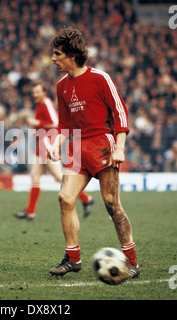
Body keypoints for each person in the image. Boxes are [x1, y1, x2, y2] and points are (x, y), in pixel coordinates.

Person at [48, 27, 140, 279]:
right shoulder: (61, 86)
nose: (53, 59)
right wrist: (56, 144)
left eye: (57, 54)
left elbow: (120, 112)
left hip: (102, 144)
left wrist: (120, 146)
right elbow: (65, 124)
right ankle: (73, 258)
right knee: (65, 198)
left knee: (112, 204)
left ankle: (132, 263)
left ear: (72, 55)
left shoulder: (101, 78)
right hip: (78, 147)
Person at [13, 81, 94, 221]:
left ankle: (86, 199)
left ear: (44, 92)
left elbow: (57, 123)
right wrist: (37, 129)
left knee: (58, 176)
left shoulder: (46, 104)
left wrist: (37, 124)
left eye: (38, 92)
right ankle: (30, 212)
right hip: (42, 144)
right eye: (33, 92)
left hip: (48, 144)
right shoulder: (40, 105)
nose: (35, 95)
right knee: (35, 176)